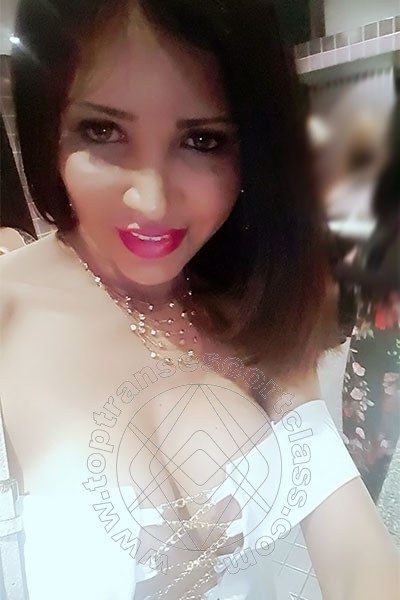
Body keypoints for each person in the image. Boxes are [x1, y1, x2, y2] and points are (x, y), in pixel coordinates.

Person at [1, 1, 398, 599]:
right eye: (103, 131)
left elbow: (355, 557)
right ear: (47, 127)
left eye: (202, 140)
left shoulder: (251, 302)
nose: (152, 201)